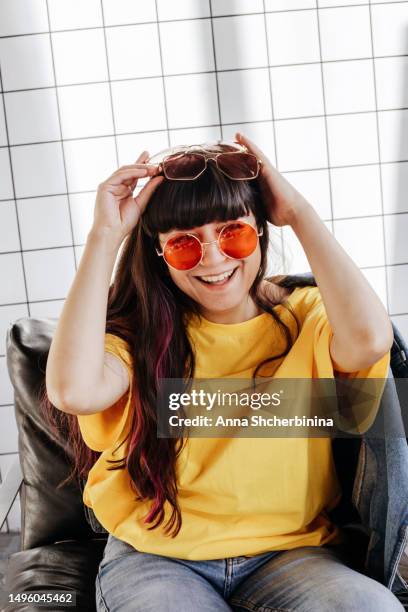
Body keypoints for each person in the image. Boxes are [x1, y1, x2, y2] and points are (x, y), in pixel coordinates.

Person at [45, 134, 403, 611]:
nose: (213, 259)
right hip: (158, 557)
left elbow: (370, 342)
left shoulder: (307, 316)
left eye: (233, 232)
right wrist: (104, 237)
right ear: (159, 255)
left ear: (262, 230)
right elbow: (73, 390)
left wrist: (297, 210)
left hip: (291, 553)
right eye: (184, 246)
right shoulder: (139, 336)